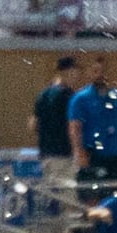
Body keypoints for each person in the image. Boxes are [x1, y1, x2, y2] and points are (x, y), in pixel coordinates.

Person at [67, 55, 117, 180]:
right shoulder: (80, 99)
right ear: (90, 73)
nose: (100, 75)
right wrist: (79, 152)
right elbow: (75, 128)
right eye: (96, 71)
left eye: (103, 71)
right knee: (93, 195)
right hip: (93, 155)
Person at [33, 56, 82, 184]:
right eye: (74, 71)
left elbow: (33, 124)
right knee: (68, 198)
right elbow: (74, 126)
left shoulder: (43, 94)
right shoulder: (69, 96)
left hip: (46, 154)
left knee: (52, 196)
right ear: (66, 71)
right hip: (64, 156)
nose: (77, 75)